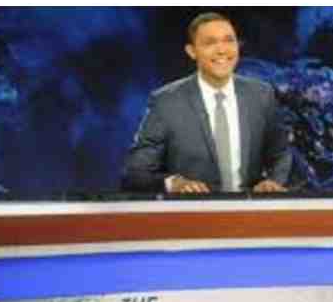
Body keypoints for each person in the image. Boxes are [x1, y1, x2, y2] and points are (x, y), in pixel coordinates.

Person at [122, 12, 291, 194]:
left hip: (250, 209)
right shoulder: (166, 102)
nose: (222, 50)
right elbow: (136, 171)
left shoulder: (262, 95)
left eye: (229, 41)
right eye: (210, 43)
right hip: (191, 209)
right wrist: (174, 184)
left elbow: (280, 154)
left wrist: (272, 182)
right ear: (191, 51)